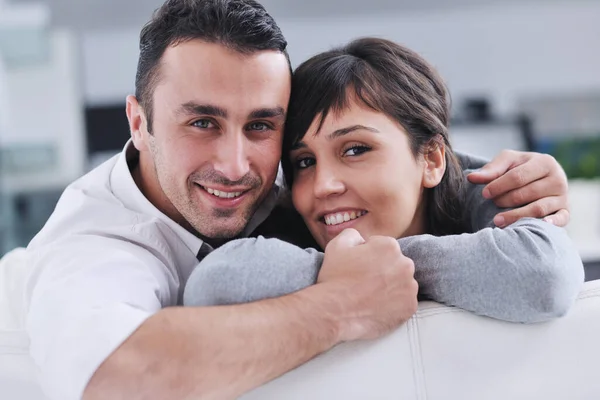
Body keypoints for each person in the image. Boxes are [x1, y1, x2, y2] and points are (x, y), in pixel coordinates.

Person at [21, 1, 574, 400]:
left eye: (261, 126)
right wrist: (345, 300)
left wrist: (504, 184)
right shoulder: (94, 244)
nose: (236, 165)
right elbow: (118, 379)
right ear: (139, 123)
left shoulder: (272, 196)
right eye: (201, 122)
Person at [183, 38, 584, 324]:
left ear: (431, 159)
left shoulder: (494, 211)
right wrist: (359, 271)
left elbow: (543, 279)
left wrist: (373, 265)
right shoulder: (281, 224)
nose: (323, 186)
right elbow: (215, 285)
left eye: (356, 149)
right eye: (304, 161)